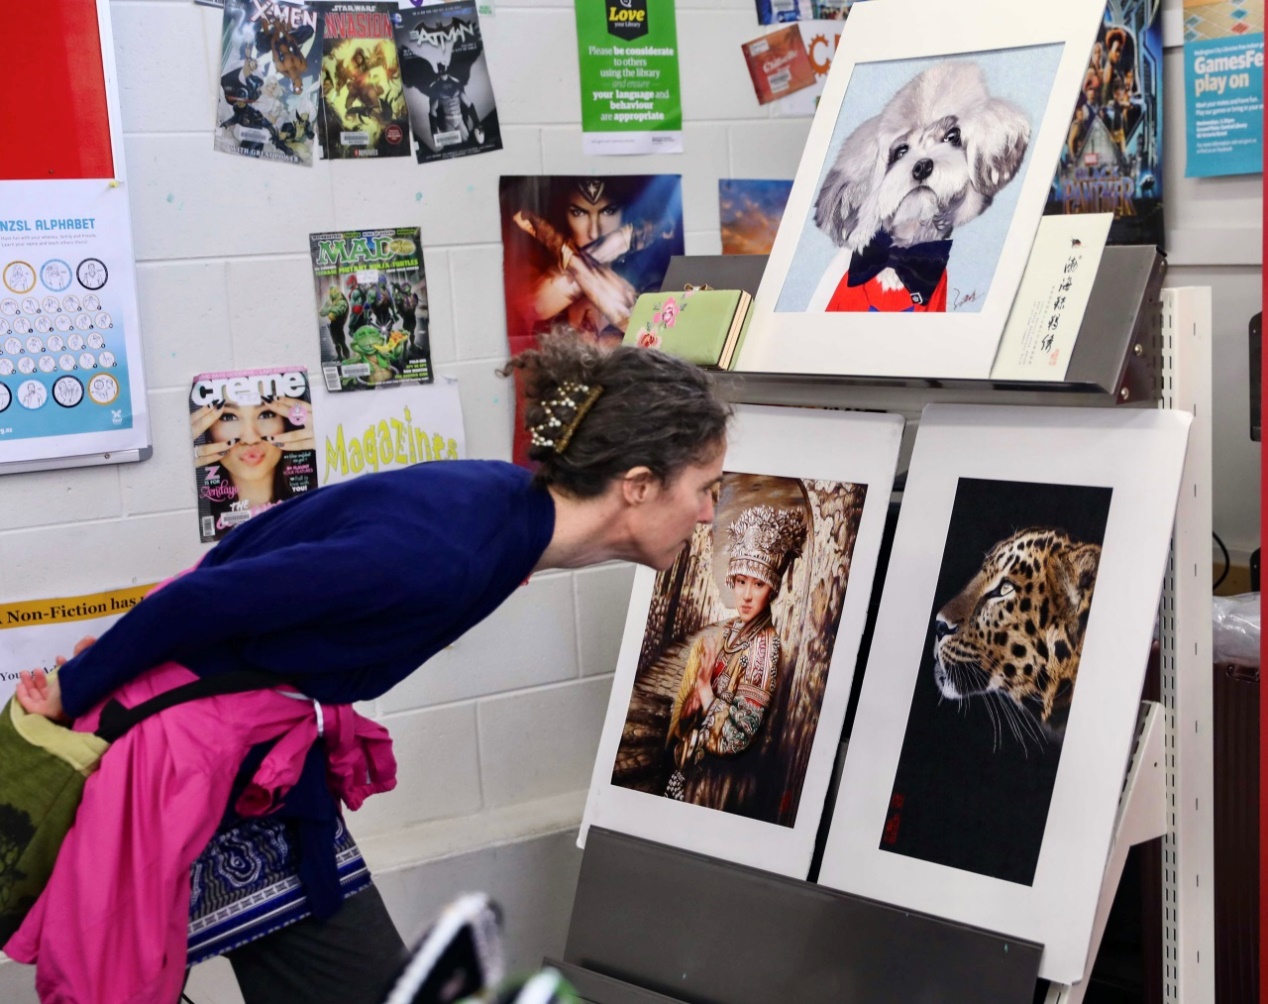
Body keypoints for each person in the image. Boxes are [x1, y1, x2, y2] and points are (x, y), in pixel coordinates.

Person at [15, 334, 731, 1004]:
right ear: (638, 485)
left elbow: (264, 548)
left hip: (257, 762)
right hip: (193, 756)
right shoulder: (445, 555)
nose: (707, 513)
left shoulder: (498, 507)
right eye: (705, 487)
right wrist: (75, 689)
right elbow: (209, 596)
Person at [664, 505, 806, 814]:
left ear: (772, 590)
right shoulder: (730, 631)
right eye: (741, 581)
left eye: (758, 584)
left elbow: (736, 736)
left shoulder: (764, 648)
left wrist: (705, 692)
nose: (746, 595)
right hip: (695, 768)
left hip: (720, 785)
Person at [508, 177, 683, 348]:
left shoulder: (648, 276)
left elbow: (643, 329)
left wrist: (556, 242)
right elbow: (537, 307)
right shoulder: (535, 275)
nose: (594, 232)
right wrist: (624, 239)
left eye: (609, 211)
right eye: (578, 213)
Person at [190, 386, 315, 531]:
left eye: (266, 414)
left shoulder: (315, 503)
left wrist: (325, 446)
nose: (250, 439)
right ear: (207, 430)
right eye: (228, 417)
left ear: (288, 422)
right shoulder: (193, 516)